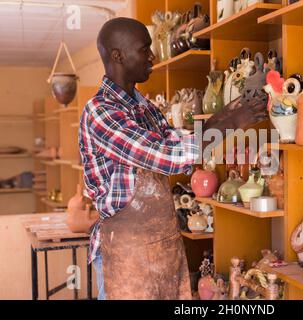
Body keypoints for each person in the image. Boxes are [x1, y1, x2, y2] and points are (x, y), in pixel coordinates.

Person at [79, 17, 268, 300]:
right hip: (125, 253)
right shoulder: (101, 112)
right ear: (117, 55)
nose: (152, 56)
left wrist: (228, 113)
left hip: (163, 249)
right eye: (144, 50)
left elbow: (178, 141)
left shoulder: (143, 107)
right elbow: (168, 157)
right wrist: (232, 122)